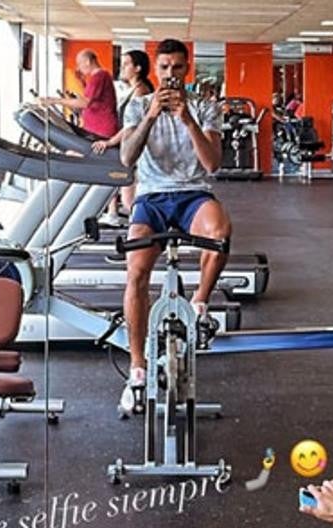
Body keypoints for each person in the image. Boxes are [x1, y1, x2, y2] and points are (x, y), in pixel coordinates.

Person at [115, 38, 232, 417]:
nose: (170, 76)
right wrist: (150, 116)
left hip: (193, 194)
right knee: (135, 273)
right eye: (164, 68)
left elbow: (212, 164)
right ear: (156, 69)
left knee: (218, 233)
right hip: (151, 198)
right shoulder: (136, 105)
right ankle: (137, 367)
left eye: (177, 68)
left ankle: (199, 303)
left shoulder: (206, 107)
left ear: (187, 69)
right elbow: (127, 157)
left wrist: (186, 119)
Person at [91, 49, 155, 226]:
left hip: (136, 148)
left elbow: (132, 126)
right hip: (130, 146)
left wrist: (110, 141)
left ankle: (145, 233)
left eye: (127, 64)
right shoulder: (134, 89)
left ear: (138, 68)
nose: (122, 67)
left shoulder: (141, 91)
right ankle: (138, 233)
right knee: (129, 198)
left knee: (129, 200)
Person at [38, 49, 118, 143]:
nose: (78, 67)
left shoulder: (98, 77)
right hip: (97, 128)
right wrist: (81, 81)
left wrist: (54, 100)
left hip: (101, 130)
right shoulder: (100, 76)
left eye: (79, 63)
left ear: (87, 62)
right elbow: (92, 100)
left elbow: (84, 103)